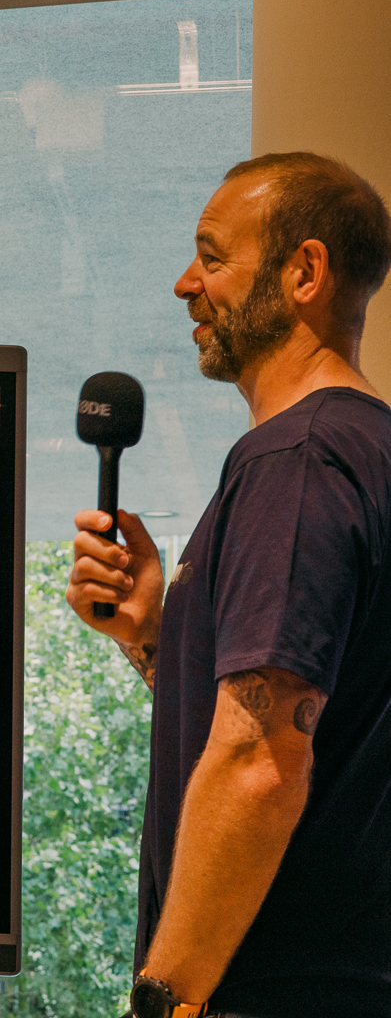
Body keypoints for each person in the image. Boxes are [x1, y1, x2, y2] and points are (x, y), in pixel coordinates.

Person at [66, 153, 391, 1017]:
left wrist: (164, 1001)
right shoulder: (365, 451)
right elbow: (326, 716)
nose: (184, 283)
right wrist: (150, 634)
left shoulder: (294, 460)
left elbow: (259, 758)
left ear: (303, 272)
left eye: (211, 257)